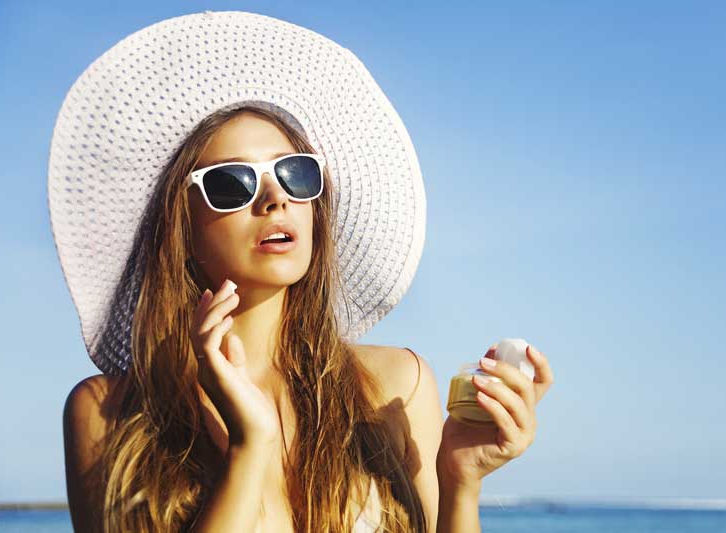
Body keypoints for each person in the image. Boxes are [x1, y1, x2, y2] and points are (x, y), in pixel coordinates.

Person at [54, 11, 554, 533]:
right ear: (184, 228)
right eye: (232, 184)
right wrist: (251, 450)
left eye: (296, 174)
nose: (275, 199)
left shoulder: (395, 385)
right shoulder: (109, 412)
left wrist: (461, 482)